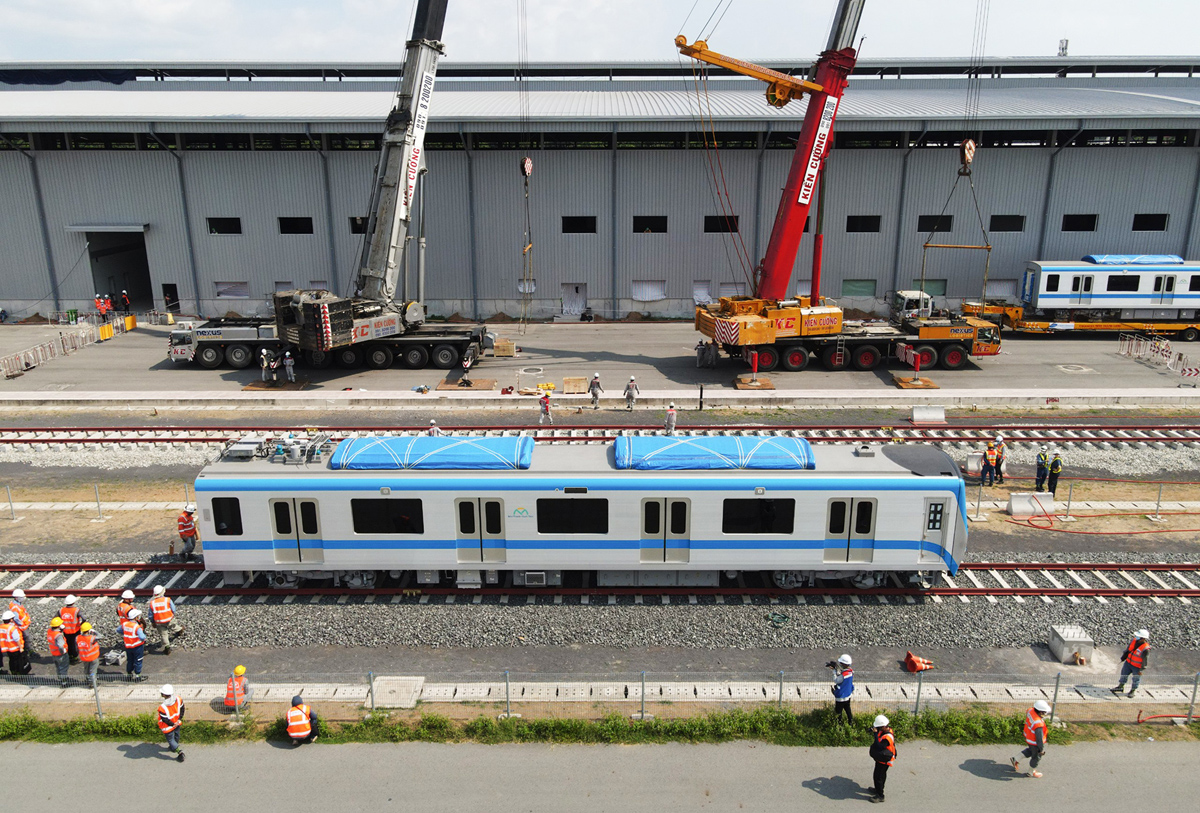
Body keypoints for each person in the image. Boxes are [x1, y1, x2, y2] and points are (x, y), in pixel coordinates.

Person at [1010, 699, 1051, 778]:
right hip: (1035, 742)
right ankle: (1031, 772)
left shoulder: (1030, 711)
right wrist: (1041, 749)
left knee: (1031, 751)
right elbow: (1039, 738)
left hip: (1029, 738)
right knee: (1036, 757)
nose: (1045, 714)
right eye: (1044, 712)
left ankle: (1016, 759)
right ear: (1040, 712)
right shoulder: (1038, 724)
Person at [1112, 629, 1150, 697]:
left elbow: (1145, 660)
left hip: (1137, 667)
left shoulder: (1145, 649)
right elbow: (1128, 649)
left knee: (1136, 679)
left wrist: (1141, 670)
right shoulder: (1134, 641)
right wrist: (1124, 657)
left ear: (1143, 639)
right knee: (1124, 674)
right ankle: (1121, 686)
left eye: (1138, 636)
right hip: (1128, 663)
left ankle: (1132, 691)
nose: (1136, 637)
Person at [148, 585, 185, 655]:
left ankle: (167, 647)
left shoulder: (152, 603)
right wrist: (172, 614)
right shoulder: (167, 600)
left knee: (163, 634)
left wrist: (153, 622)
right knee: (174, 626)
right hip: (169, 619)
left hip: (159, 622)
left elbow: (150, 615)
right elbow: (173, 609)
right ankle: (180, 630)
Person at [869, 714, 896, 803]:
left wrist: (875, 734)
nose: (878, 728)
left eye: (879, 727)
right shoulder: (886, 730)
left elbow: (879, 746)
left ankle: (880, 795)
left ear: (883, 726)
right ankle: (878, 789)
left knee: (878, 777)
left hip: (885, 760)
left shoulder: (887, 738)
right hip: (881, 758)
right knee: (880, 776)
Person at [157, 685, 186, 762]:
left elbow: (165, 720)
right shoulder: (178, 699)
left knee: (170, 740)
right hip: (177, 722)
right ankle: (174, 747)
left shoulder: (162, 707)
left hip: (167, 727)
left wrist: (172, 724)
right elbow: (182, 709)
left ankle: (180, 752)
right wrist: (179, 719)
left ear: (163, 694)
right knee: (177, 735)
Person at [0, 609, 30, 675]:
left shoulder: (1, 627)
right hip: (15, 648)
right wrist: (21, 648)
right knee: (18, 662)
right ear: (11, 620)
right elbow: (17, 639)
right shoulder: (12, 628)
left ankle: (13, 672)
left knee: (11, 661)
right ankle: (18, 674)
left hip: (7, 648)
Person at [122, 607, 148, 681]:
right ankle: (138, 676)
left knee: (130, 660)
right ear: (136, 617)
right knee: (138, 660)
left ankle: (129, 675)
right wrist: (144, 638)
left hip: (128, 646)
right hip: (137, 647)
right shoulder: (137, 627)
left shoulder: (125, 624)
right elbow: (142, 637)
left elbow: (119, 630)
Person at [828, 653, 854, 724]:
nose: (840, 664)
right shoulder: (850, 671)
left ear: (844, 664)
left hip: (841, 697)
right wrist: (837, 668)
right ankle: (851, 723)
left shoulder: (843, 675)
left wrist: (834, 671)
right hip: (848, 695)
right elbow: (843, 675)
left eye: (841, 663)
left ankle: (839, 725)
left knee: (838, 713)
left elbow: (837, 680)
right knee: (848, 710)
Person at [58, 594, 85, 663]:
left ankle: (70, 656)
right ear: (73, 602)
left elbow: (56, 618)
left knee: (68, 643)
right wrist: (81, 624)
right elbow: (84, 618)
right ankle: (75, 657)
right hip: (75, 630)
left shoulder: (61, 610)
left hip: (65, 631)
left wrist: (60, 626)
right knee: (75, 644)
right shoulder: (76, 610)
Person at [8, 588, 33, 656]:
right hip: (22, 626)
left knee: (24, 638)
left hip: (23, 625)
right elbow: (16, 618)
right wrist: (21, 624)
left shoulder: (17, 604)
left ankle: (25, 650)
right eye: (21, 597)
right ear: (16, 597)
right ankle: (27, 651)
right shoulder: (15, 607)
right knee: (26, 638)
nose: (23, 598)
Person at [47, 617, 70, 686]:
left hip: (54, 653)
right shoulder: (58, 635)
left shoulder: (50, 631)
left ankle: (60, 679)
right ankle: (64, 682)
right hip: (60, 654)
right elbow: (60, 646)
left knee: (58, 667)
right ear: (59, 626)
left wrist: (60, 631)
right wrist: (63, 652)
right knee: (63, 667)